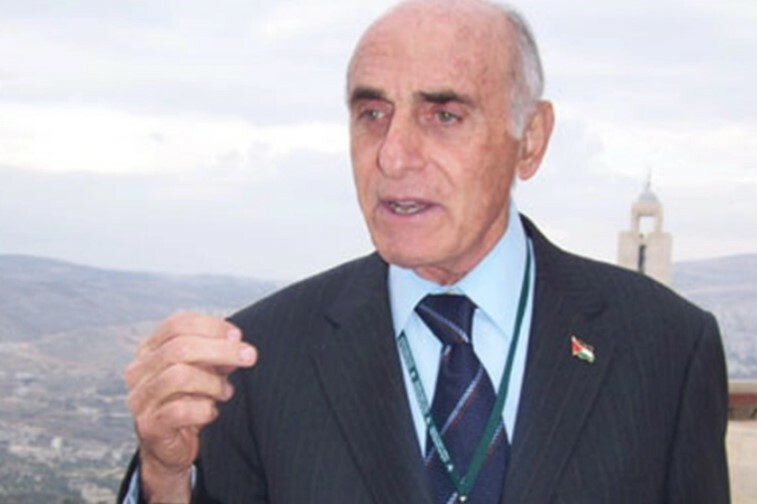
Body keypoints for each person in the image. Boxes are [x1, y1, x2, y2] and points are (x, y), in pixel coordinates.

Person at [119, 0, 730, 502]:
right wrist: (165, 479)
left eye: (443, 116)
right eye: (372, 113)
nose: (392, 155)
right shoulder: (260, 360)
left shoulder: (666, 349)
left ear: (530, 139)